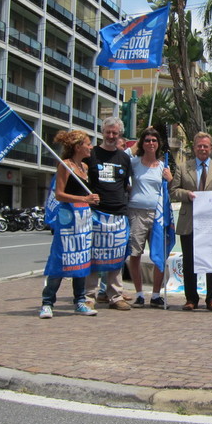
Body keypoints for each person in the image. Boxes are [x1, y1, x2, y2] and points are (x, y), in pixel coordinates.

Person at [39, 130, 100, 319]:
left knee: (81, 258)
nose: (91, 147)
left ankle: (80, 301)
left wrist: (91, 200)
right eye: (88, 144)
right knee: (61, 258)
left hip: (83, 218)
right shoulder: (65, 165)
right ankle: (48, 302)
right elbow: (59, 194)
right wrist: (84, 197)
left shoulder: (85, 167)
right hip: (67, 217)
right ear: (77, 146)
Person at [170, 132, 212, 311]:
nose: (202, 149)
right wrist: (187, 195)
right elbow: (174, 191)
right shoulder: (183, 168)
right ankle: (191, 299)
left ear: (211, 148)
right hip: (189, 221)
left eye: (206, 146)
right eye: (199, 146)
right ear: (194, 148)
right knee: (189, 262)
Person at [84, 116, 133, 310]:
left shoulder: (124, 158)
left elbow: (126, 185)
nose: (111, 136)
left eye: (115, 133)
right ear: (102, 132)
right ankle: (89, 296)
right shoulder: (92, 154)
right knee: (93, 256)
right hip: (95, 212)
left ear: (119, 134)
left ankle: (115, 296)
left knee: (117, 256)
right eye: (108, 132)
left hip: (118, 212)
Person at [126, 127, 173, 308]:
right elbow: (122, 176)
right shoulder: (133, 163)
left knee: (159, 254)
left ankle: (155, 295)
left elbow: (170, 191)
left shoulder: (163, 166)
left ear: (158, 144)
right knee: (135, 254)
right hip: (136, 213)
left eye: (154, 140)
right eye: (147, 140)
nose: (151, 144)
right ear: (142, 143)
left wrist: (170, 180)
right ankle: (139, 294)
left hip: (158, 215)